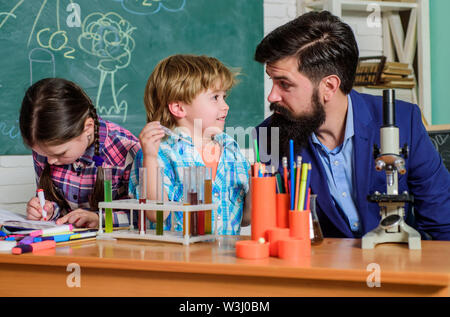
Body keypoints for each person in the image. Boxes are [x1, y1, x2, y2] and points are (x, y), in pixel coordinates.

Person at [254, 11, 450, 240]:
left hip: (398, 267)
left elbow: (443, 225)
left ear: (329, 86)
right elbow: (271, 232)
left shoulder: (405, 121)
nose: (271, 96)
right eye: (272, 81)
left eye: (284, 84)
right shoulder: (269, 136)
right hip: (322, 270)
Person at [129, 54, 251, 235]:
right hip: (176, 261)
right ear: (179, 108)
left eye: (224, 96)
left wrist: (258, 186)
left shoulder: (231, 151)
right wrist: (150, 158)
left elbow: (246, 219)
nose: (225, 106)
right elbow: (157, 214)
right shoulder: (159, 153)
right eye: (215, 97)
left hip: (224, 260)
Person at [20, 78, 141, 228]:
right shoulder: (46, 147)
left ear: (88, 128)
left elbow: (145, 216)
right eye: (44, 154)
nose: (50, 161)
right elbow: (58, 205)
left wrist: (99, 219)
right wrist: (49, 211)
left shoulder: (127, 150)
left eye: (61, 153)